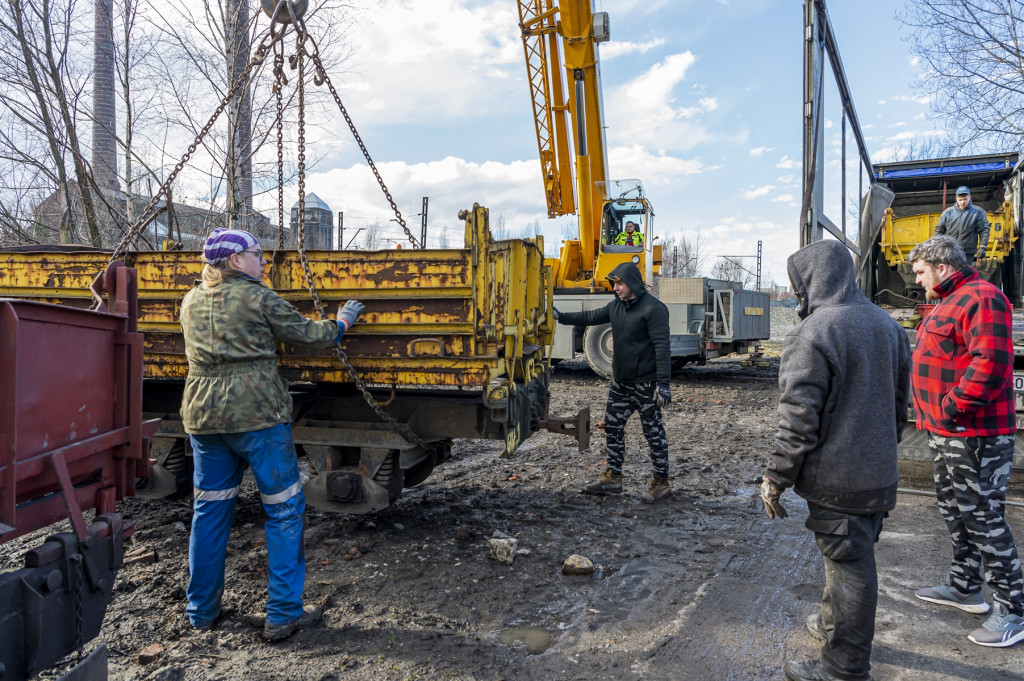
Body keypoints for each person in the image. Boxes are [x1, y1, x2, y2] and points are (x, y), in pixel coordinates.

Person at [179, 227, 365, 641]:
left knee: (209, 511)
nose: (263, 261)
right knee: (282, 510)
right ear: (234, 260)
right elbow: (310, 336)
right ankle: (282, 614)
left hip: (204, 417)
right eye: (256, 254)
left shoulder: (190, 300)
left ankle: (201, 611)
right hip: (257, 415)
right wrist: (342, 321)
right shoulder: (258, 297)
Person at [760, 240, 911, 681]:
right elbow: (899, 406)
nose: (797, 294)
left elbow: (798, 420)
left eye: (798, 285)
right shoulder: (888, 327)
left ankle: (844, 668)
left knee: (850, 568)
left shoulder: (813, 332)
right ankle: (832, 623)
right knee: (849, 555)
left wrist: (776, 476)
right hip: (877, 473)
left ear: (812, 280)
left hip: (838, 479)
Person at [907, 234, 1024, 648]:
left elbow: (991, 363)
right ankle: (964, 586)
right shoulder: (949, 300)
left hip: (974, 433)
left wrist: (951, 407)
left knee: (983, 518)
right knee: (956, 511)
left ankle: (1013, 610)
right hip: (947, 432)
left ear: (941, 267)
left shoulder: (981, 297)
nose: (917, 280)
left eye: (921, 272)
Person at [554, 262, 672, 502]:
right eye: (614, 284)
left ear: (633, 283)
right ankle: (613, 478)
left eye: (619, 284)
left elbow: (662, 347)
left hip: (646, 386)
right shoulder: (616, 306)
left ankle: (661, 483)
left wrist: (663, 384)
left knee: (653, 433)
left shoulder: (654, 309)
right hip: (621, 384)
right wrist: (560, 316)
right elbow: (589, 316)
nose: (615, 288)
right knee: (612, 427)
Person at [933, 185, 990, 265]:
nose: (962, 202)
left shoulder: (978, 212)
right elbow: (938, 230)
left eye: (965, 199)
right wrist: (935, 246)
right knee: (952, 272)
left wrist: (983, 247)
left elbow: (984, 230)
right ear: (956, 198)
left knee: (965, 272)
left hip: (967, 253)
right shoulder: (947, 213)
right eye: (960, 200)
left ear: (970, 197)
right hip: (950, 251)